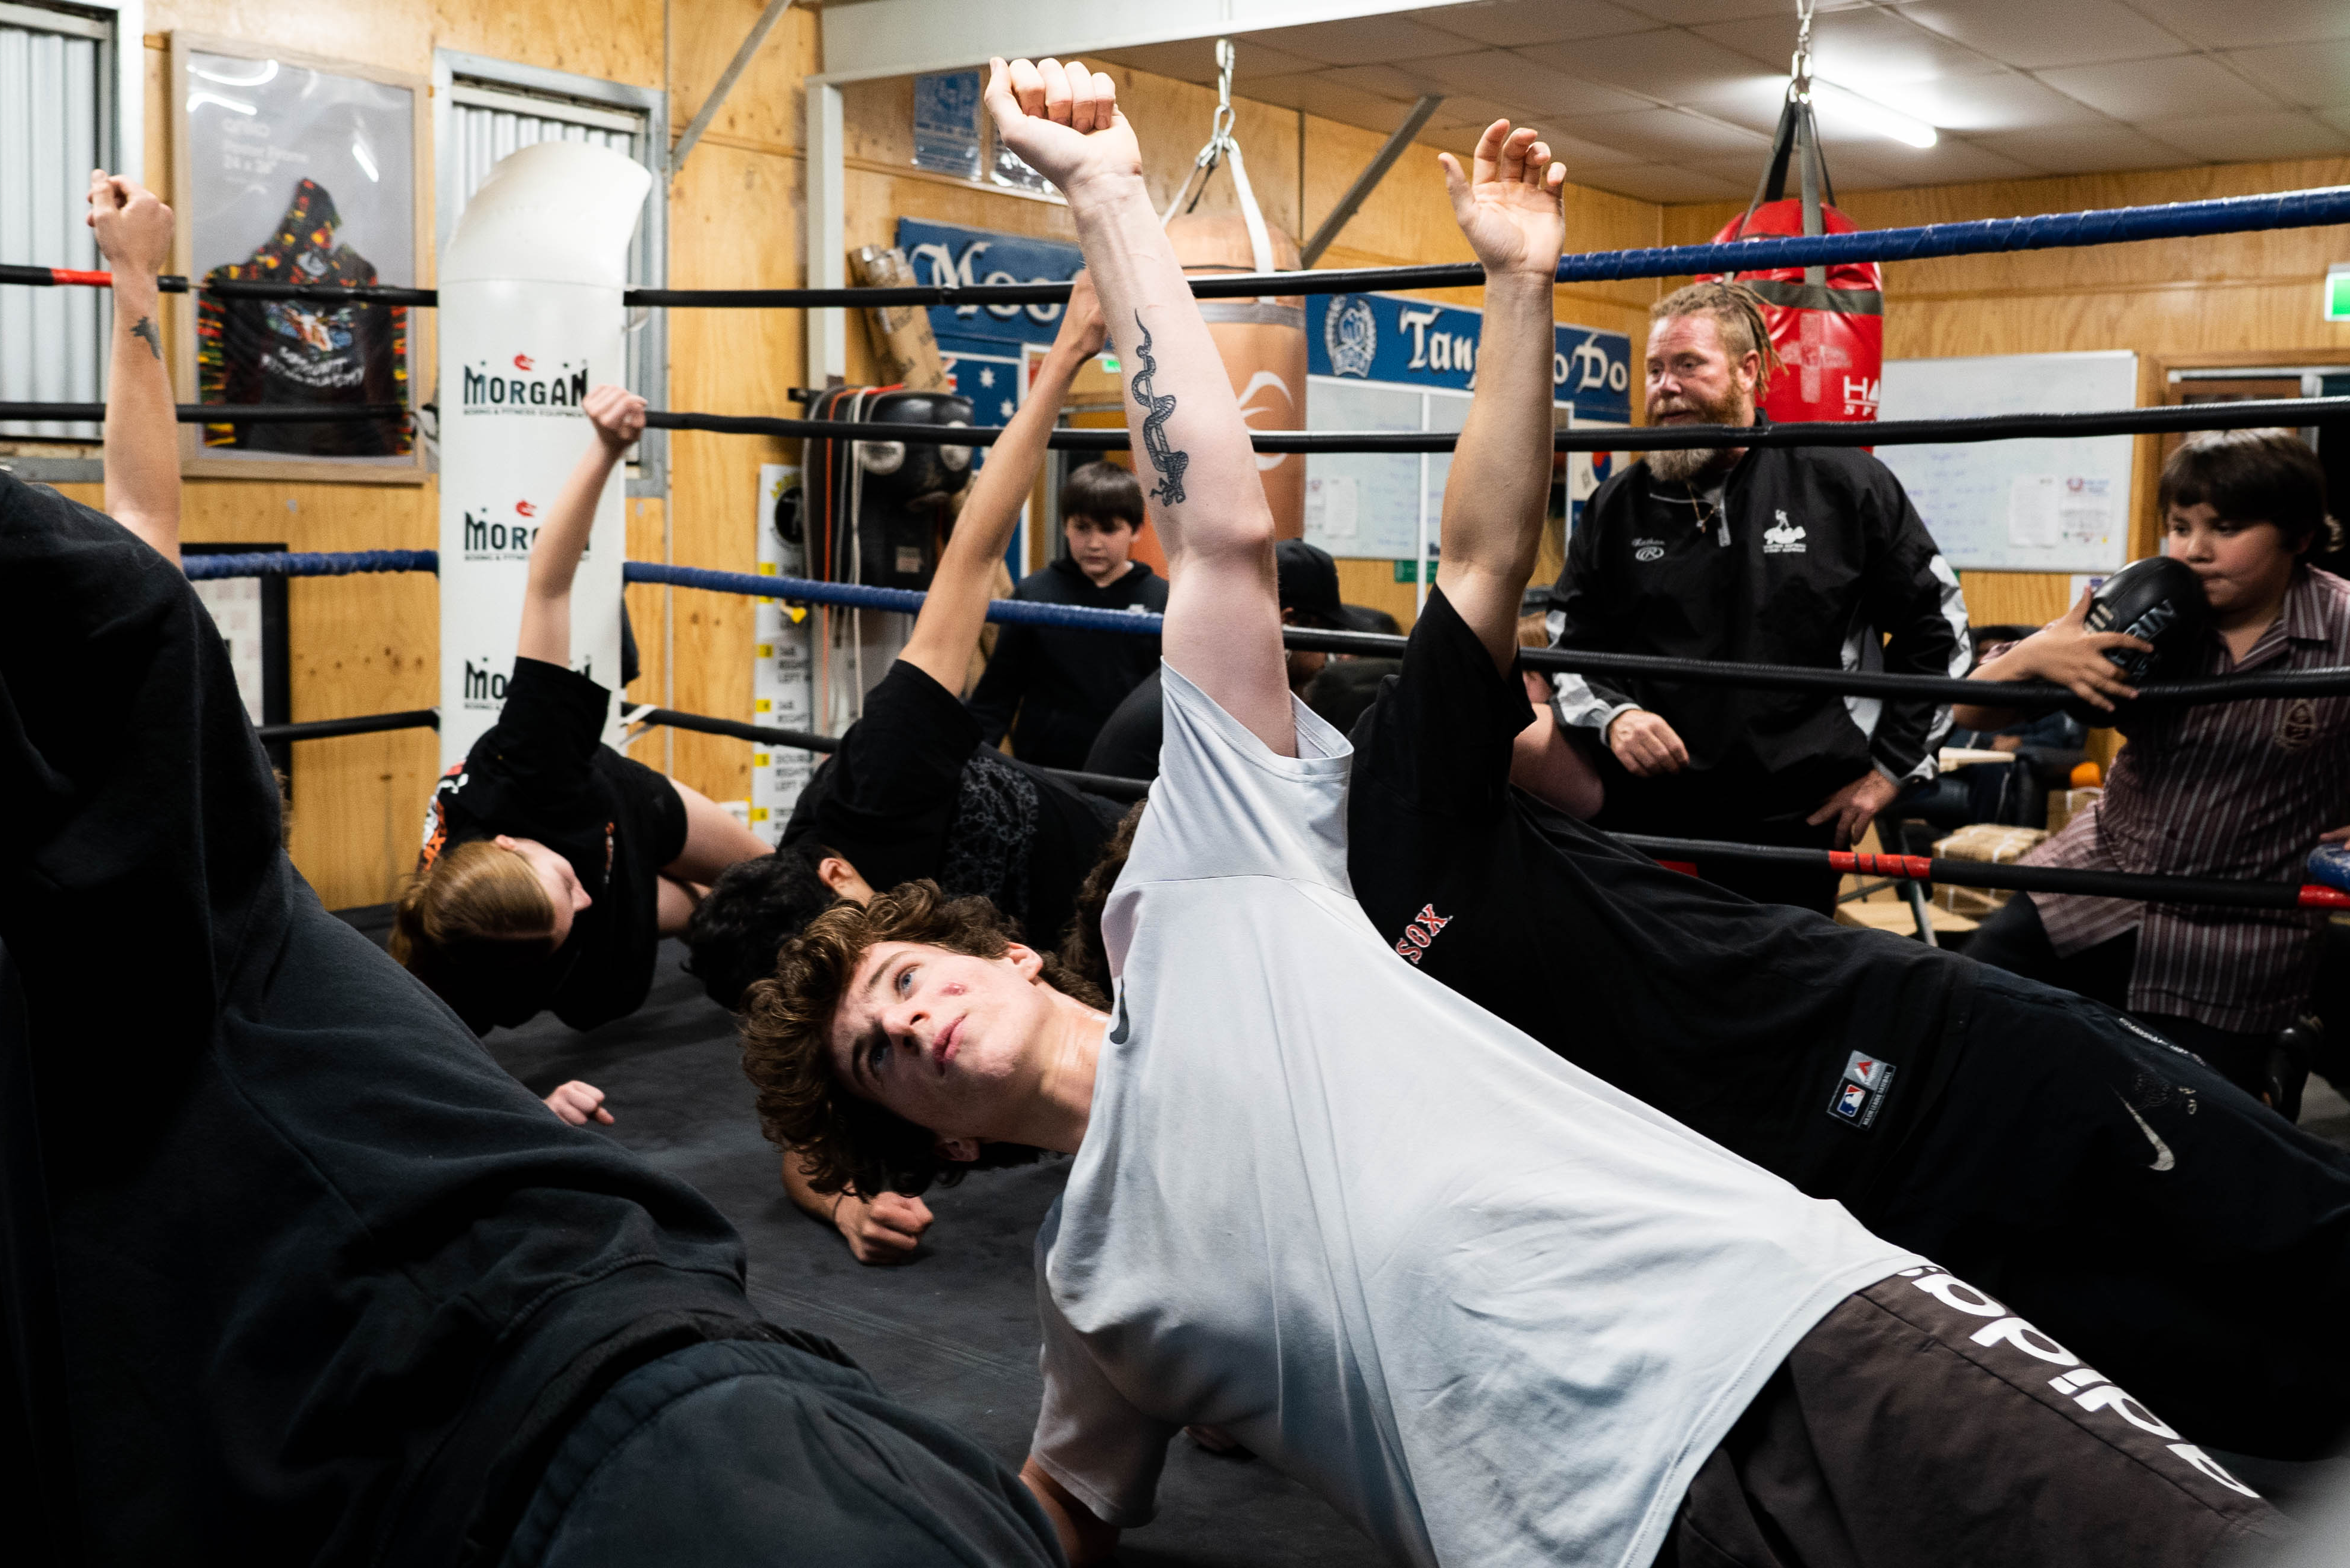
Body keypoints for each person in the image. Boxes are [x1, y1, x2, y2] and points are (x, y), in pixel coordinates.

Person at [740, 69, 2281, 1567]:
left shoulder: (1247, 883)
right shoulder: (1098, 1293)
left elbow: (1296, 536)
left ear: (1007, 950)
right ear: (936, 1134)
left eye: (904, 978)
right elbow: (1062, 1494)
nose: (905, 1018)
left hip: (1789, 1304)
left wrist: (1115, 198)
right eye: (880, 1047)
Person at [0, 169, 1062, 1568]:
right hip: (592, 1382)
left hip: (636, 873)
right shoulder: (413, 963)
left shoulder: (527, 792)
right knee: (725, 922)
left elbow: (162, 561)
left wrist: (602, 452)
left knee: (728, 870)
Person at [685, 270, 1116, 1263]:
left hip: (1120, 860)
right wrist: (843, 1206)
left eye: (868, 974)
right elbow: (809, 1137)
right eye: (851, 1016)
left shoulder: (878, 781)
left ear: (842, 873)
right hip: (1052, 980)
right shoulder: (826, 979)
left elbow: (966, 564)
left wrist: (1061, 362)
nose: (881, 1006)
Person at [1544, 281, 1972, 912]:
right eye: (1656, 369)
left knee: (1775, 984)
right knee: (1660, 981)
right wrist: (1617, 716)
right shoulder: (1619, 503)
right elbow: (1570, 642)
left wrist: (1890, 771)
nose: (1666, 386)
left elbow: (1937, 630)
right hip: (1657, 805)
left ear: (1749, 371)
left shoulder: (1841, 483)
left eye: (1689, 365)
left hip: (1796, 813)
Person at [1957, 428, 2350, 1104]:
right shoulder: (2148, 605)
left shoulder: (2343, 626)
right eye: (2179, 525)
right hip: (2093, 887)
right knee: (1962, 1027)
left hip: (2237, 936)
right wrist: (2031, 658)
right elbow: (1969, 714)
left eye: (2226, 527)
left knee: (2184, 1134)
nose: (2194, 549)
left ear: (2300, 536)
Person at [390, 385, 770, 1035]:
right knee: (641, 964)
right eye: (571, 910)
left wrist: (606, 447)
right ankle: (698, 911)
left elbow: (547, 583)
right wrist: (542, 1097)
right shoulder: (459, 958)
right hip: (580, 903)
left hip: (609, 800)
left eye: (567, 889)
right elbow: (427, 1071)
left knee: (770, 884)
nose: (586, 896)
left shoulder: (529, 759)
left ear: (508, 843)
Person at [1081, 537, 1350, 781]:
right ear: (1288, 621)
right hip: (1125, 828)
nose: (1329, 658)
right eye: (1326, 635)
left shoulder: (1211, 669)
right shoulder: (1228, 698)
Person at [966, 460, 1168, 768]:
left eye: (1109, 529)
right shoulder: (1036, 594)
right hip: (1047, 772)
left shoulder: (1163, 600)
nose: (1094, 543)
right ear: (1065, 525)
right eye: (1082, 528)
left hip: (1133, 773)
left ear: (1136, 530)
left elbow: (1178, 701)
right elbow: (997, 694)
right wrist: (967, 767)